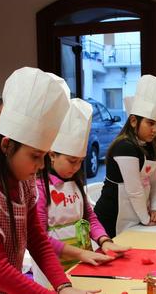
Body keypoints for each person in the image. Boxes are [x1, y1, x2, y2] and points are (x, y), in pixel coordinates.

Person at [0, 67, 99, 293]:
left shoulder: (24, 185)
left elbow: (37, 241)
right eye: (35, 156)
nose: (41, 166)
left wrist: (64, 286)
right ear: (6, 145)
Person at [34, 98, 129, 286]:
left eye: (80, 161)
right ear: (52, 155)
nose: (77, 167)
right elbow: (40, 238)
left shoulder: (75, 183)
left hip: (81, 262)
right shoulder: (40, 187)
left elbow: (90, 218)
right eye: (71, 161)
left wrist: (104, 241)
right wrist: (79, 253)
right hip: (53, 269)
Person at [94, 75, 156, 238]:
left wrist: (155, 208)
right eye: (150, 123)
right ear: (134, 121)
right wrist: (146, 218)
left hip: (136, 215)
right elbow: (134, 190)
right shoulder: (124, 146)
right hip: (113, 216)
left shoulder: (150, 147)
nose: (155, 129)